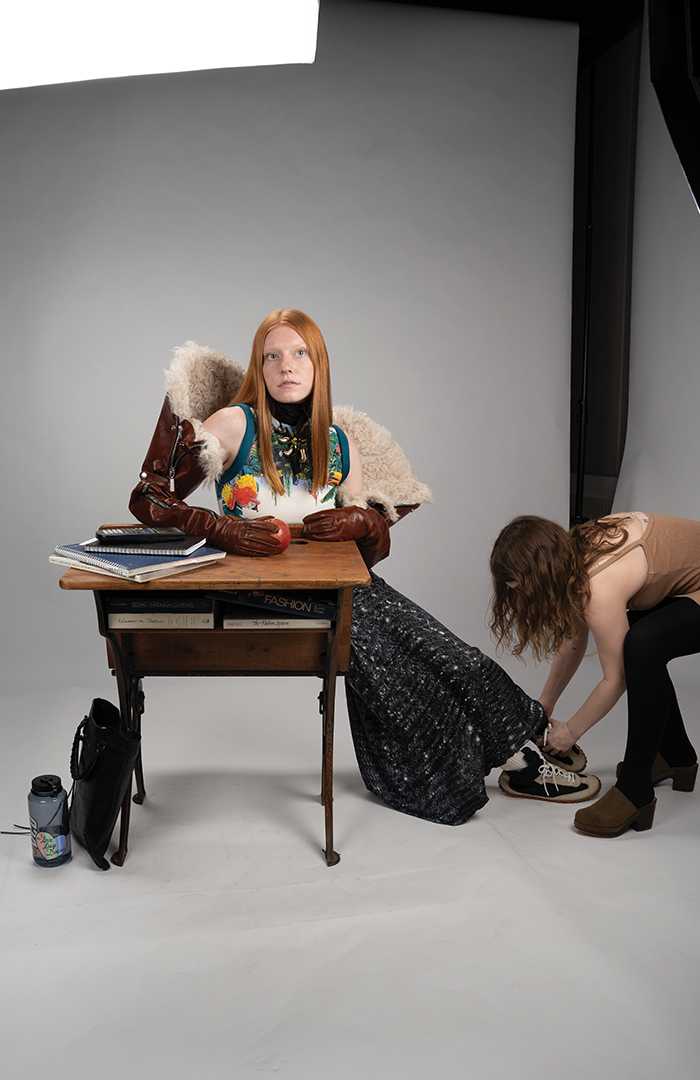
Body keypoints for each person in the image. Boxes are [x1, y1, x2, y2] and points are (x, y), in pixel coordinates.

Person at [129, 309, 601, 827]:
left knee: (454, 657)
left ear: (319, 364)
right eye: (273, 356)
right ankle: (525, 758)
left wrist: (368, 524)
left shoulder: (338, 443)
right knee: (400, 674)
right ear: (259, 367)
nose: (287, 366)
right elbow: (148, 497)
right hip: (260, 587)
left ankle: (528, 741)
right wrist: (221, 529)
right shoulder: (233, 423)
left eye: (300, 353)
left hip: (343, 585)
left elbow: (368, 555)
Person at [490, 512, 700, 837]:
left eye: (521, 590)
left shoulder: (598, 583)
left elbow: (616, 678)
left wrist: (570, 732)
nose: (519, 599)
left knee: (642, 647)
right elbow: (574, 640)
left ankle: (635, 791)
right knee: (641, 641)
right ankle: (676, 755)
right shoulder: (571, 552)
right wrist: (544, 705)